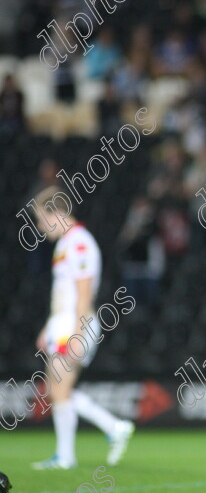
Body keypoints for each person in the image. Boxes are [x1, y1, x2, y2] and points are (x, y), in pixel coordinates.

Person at [30, 186, 134, 470]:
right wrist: (48, 328)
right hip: (62, 323)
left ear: (58, 213)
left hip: (74, 323)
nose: (40, 226)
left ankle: (70, 453)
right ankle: (110, 429)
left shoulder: (79, 243)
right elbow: (63, 292)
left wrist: (77, 332)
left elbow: (84, 292)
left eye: (41, 219)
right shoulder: (66, 243)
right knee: (57, 390)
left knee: (60, 390)